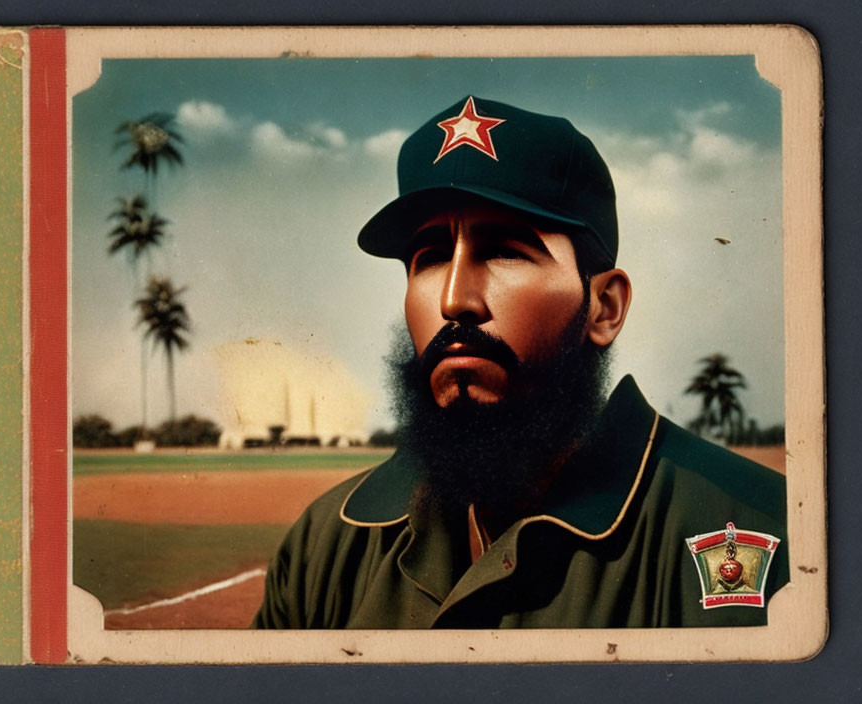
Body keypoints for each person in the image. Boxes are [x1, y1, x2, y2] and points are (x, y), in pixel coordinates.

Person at [253, 96, 788, 629]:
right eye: (432, 257)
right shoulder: (325, 544)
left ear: (604, 308)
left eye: (505, 250)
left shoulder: (760, 535)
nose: (455, 300)